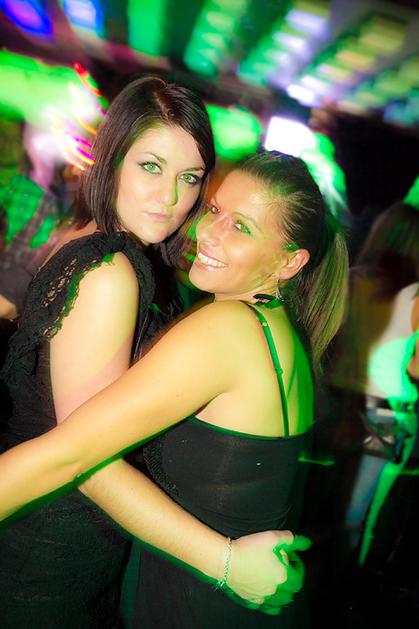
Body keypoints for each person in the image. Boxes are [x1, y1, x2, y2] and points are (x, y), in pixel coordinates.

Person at [0, 150, 349, 627]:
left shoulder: (229, 329)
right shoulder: (275, 329)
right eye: (214, 210)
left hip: (198, 606)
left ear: (290, 262)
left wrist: (225, 565)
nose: (207, 232)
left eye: (241, 227)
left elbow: (70, 455)